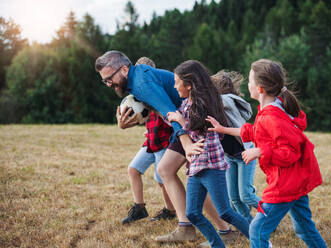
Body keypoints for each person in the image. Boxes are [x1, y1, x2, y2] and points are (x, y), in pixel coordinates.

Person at [207, 59, 327, 248]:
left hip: (285, 184)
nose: (247, 84)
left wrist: (261, 151)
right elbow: (255, 131)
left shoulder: (271, 116)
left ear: (260, 88)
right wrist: (224, 129)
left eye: (250, 80)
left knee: (257, 230)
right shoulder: (272, 110)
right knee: (304, 228)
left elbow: (290, 151)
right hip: (295, 181)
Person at [95, 51, 199, 241]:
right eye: (105, 81)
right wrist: (124, 123)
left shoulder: (141, 84)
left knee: (199, 179)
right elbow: (157, 110)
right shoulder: (137, 79)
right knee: (167, 170)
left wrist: (186, 142)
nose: (109, 84)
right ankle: (187, 227)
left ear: (124, 69)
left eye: (109, 78)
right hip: (187, 123)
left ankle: (221, 228)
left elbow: (170, 111)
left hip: (194, 124)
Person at [167, 60, 250, 248]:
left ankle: (260, 241)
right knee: (193, 213)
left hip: (212, 165)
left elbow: (200, 128)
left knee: (225, 212)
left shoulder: (205, 102)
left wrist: (180, 120)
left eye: (176, 81)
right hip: (196, 167)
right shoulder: (186, 102)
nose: (174, 85)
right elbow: (176, 119)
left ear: (188, 85)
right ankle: (217, 245)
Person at [121, 57, 176, 224]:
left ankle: (171, 210)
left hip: (164, 142)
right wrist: (123, 121)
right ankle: (139, 208)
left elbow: (169, 115)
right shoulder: (136, 95)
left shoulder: (157, 90)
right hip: (151, 142)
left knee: (161, 179)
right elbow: (136, 116)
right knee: (133, 169)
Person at [210, 70, 261, 222]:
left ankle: (271, 212)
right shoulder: (218, 103)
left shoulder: (226, 101)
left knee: (246, 195)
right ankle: (249, 224)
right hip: (230, 157)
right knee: (234, 198)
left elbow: (217, 103)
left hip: (245, 154)